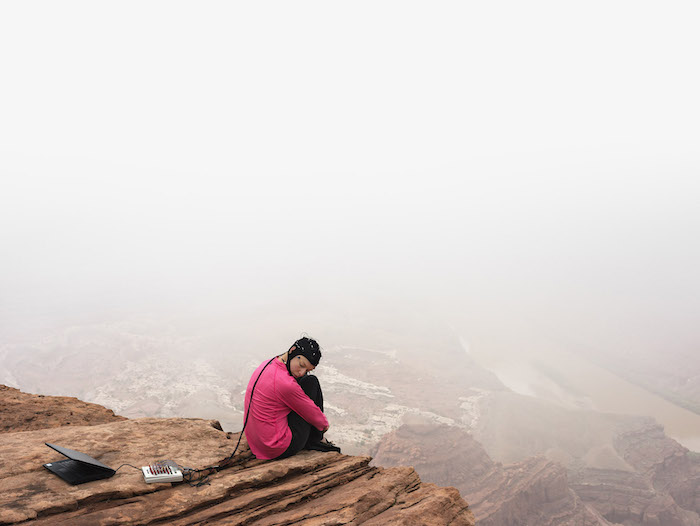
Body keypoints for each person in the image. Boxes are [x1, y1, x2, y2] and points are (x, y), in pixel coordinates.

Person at [243, 337, 341, 460]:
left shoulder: (267, 364)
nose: (301, 372)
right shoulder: (285, 384)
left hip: (256, 443)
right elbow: (312, 413)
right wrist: (323, 426)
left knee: (305, 379)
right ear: (293, 351)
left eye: (307, 370)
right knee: (311, 381)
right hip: (277, 447)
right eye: (301, 365)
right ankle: (317, 439)